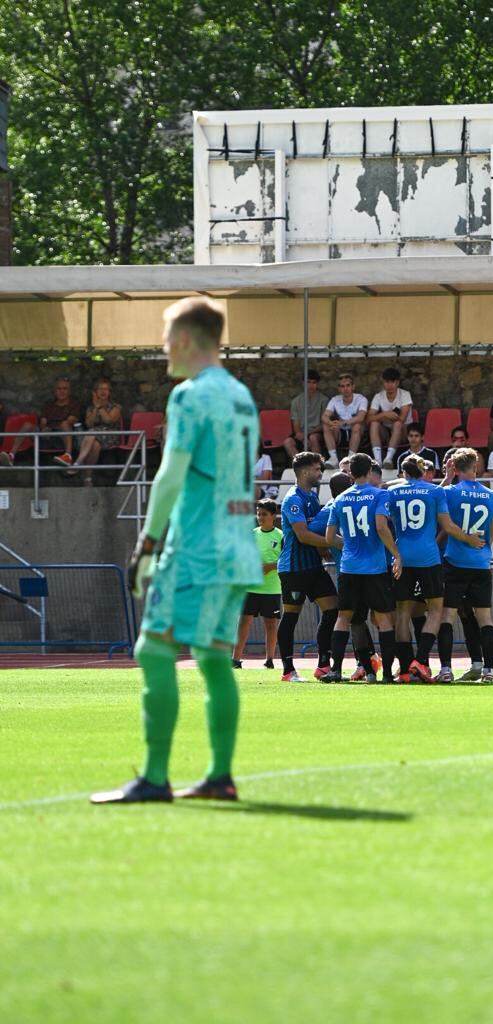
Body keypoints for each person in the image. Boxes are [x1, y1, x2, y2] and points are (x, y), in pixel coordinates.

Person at [91, 297, 262, 805]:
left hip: (197, 549)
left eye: (167, 338)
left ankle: (155, 777)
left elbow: (170, 473)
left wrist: (147, 543)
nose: (164, 347)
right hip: (238, 546)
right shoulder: (241, 396)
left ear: (185, 339)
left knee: (154, 649)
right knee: (213, 658)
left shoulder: (189, 395)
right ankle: (219, 776)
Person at [385, 455, 484, 682]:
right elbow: (448, 526)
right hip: (428, 557)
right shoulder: (435, 491)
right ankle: (420, 661)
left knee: (402, 613)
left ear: (404, 473)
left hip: (402, 556)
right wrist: (469, 539)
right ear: (423, 472)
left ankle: (405, 669)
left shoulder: (392, 492)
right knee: (436, 609)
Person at [322, 453, 401, 683]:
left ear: (351, 474)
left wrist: (349, 545)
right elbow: (381, 527)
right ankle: (387, 674)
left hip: (349, 568)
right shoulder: (379, 494)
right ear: (368, 472)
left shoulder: (340, 499)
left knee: (344, 618)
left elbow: (329, 538)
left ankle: (336, 669)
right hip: (374, 568)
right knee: (384, 620)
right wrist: (396, 554)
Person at [438, 447, 493, 684]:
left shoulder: (450, 492)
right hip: (480, 562)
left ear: (455, 468)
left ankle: (446, 669)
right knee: (485, 617)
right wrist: (482, 548)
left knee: (447, 616)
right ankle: (489, 670)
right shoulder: (491, 495)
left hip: (455, 561)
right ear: (476, 467)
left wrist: (447, 477)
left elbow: (437, 504)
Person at [277, 450, 339, 681]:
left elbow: (317, 530)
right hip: (294, 569)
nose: (320, 473)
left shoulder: (312, 497)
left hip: (314, 566)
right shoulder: (293, 499)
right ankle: (288, 670)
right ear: (304, 472)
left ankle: (323, 664)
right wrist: (334, 543)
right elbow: (303, 535)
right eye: (316, 469)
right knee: (291, 616)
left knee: (332, 609)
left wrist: (324, 549)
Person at [232, 500, 283, 670]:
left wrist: (270, 566)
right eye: (258, 514)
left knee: (271, 625)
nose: (260, 517)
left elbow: (285, 559)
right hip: (250, 587)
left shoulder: (281, 536)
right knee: (243, 622)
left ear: (273, 516)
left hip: (272, 588)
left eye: (264, 514)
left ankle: (270, 660)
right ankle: (236, 659)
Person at [0, 376, 82, 467]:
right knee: (27, 425)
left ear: (69, 391)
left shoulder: (75, 404)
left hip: (63, 437)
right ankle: (11, 456)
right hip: (47, 435)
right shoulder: (49, 405)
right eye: (59, 389)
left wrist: (55, 429)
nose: (61, 391)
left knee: (65, 424)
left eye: (65, 389)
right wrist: (44, 428)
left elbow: (71, 420)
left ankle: (68, 456)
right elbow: (43, 421)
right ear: (54, 391)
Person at [67, 377, 122, 486]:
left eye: (106, 389)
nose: (103, 392)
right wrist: (95, 409)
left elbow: (108, 420)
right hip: (93, 437)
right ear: (95, 392)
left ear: (109, 392)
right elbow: (89, 424)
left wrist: (100, 407)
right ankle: (88, 478)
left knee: (92, 433)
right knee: (95, 444)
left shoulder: (116, 407)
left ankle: (78, 462)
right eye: (100, 389)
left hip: (109, 435)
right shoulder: (91, 408)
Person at [367, 367, 415, 469]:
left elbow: (402, 419)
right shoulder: (378, 396)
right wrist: (384, 414)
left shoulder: (405, 395)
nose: (389, 385)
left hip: (403, 432)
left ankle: (388, 459)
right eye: (387, 382)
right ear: (383, 382)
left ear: (397, 383)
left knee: (397, 424)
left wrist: (383, 417)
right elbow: (369, 418)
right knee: (374, 424)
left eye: (392, 382)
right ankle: (378, 460)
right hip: (386, 432)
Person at [322, 373, 368, 468]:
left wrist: (343, 423)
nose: (345, 388)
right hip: (340, 433)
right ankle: (333, 458)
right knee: (326, 425)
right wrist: (330, 422)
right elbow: (324, 416)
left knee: (357, 425)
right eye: (342, 386)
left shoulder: (361, 399)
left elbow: (361, 417)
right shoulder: (335, 399)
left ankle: (350, 458)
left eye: (348, 385)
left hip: (357, 433)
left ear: (353, 386)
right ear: (339, 389)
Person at [283, 369, 329, 461]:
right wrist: (301, 435)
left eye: (314, 382)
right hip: (302, 433)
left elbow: (324, 423)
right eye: (308, 382)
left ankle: (318, 464)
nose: (311, 385)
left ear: (317, 384)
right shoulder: (296, 401)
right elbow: (296, 422)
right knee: (287, 442)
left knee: (313, 438)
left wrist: (307, 434)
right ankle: (301, 464)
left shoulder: (324, 400)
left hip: (316, 432)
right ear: (303, 383)